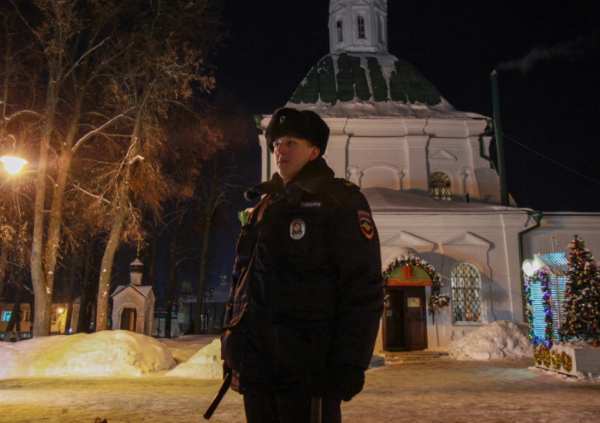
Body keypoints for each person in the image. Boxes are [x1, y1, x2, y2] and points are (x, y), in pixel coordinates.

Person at [221, 107, 383, 423]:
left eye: (291, 142)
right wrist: (232, 344)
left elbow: (364, 288)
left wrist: (350, 362)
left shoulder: (340, 202)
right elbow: (241, 283)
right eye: (276, 144)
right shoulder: (261, 209)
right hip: (256, 369)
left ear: (314, 151)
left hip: (309, 371)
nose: (280, 150)